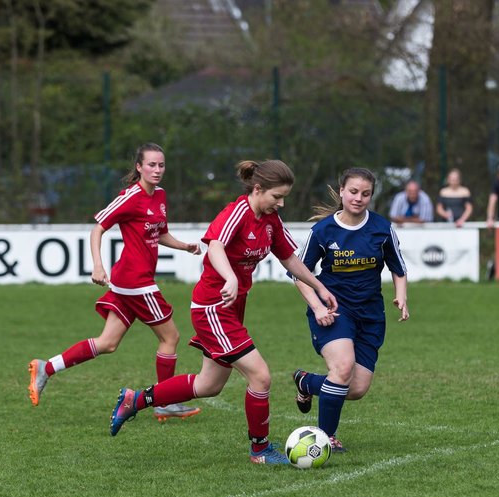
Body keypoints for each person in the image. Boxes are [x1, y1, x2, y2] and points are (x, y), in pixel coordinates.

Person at [108, 159, 338, 465]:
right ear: (258, 189)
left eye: (284, 197)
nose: (280, 203)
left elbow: (289, 259)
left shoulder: (270, 220)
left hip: (232, 307)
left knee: (208, 385)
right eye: (276, 196)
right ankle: (260, 449)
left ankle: (135, 399)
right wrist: (230, 277)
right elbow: (215, 245)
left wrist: (319, 287)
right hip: (212, 307)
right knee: (260, 376)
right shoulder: (237, 212)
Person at [28, 143, 203, 421]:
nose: (157, 170)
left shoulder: (160, 196)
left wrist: (184, 246)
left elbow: (161, 233)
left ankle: (46, 367)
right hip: (136, 281)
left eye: (161, 165)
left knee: (108, 343)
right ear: (139, 167)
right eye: (151, 165)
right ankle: (163, 401)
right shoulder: (130, 197)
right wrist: (98, 265)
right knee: (171, 337)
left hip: (130, 282)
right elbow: (98, 228)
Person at [291, 168, 408, 454]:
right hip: (333, 311)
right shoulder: (323, 231)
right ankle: (325, 437)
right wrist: (317, 306)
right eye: (353, 192)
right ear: (341, 190)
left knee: (355, 389)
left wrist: (401, 297)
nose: (359, 198)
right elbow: (299, 274)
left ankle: (306, 382)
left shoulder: (381, 228)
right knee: (342, 369)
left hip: (370, 315)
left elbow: (398, 267)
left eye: (365, 194)